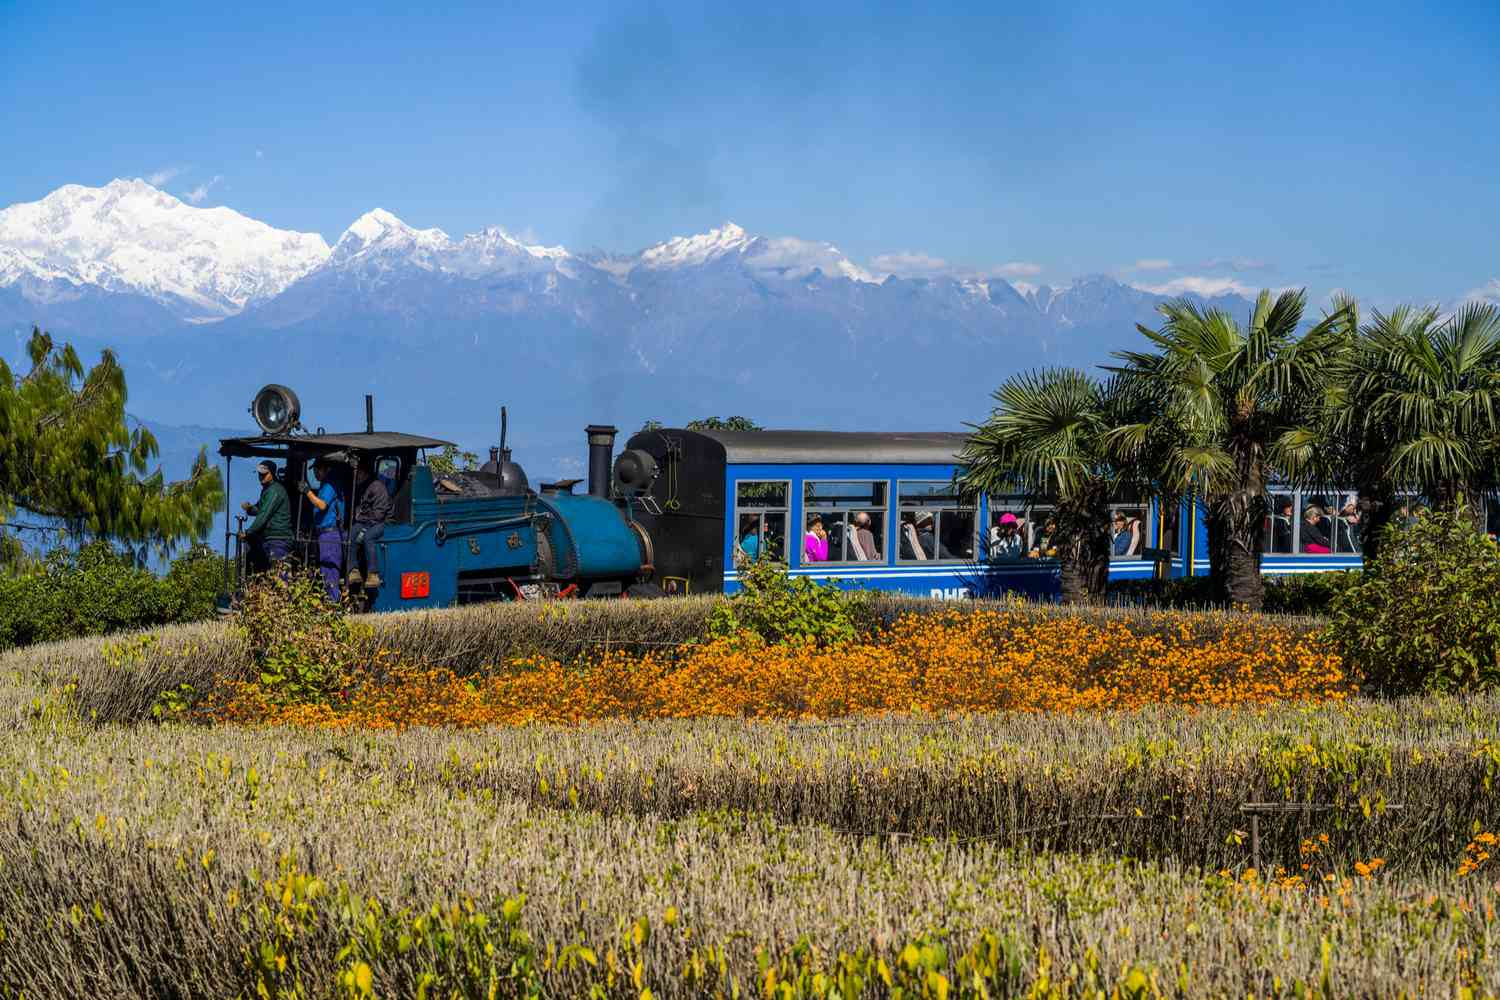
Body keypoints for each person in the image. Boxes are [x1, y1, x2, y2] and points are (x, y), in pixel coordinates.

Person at [300, 456, 345, 602]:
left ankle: (333, 602)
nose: (315, 473)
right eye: (314, 470)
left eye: (318, 470)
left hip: (329, 534)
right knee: (325, 570)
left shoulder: (330, 485)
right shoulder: (325, 485)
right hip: (323, 533)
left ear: (327, 469)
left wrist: (307, 491)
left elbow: (322, 505)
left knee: (329, 569)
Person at [241, 460, 293, 570]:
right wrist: (250, 508)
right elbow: (260, 509)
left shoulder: (275, 490)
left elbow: (264, 514)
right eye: (260, 474)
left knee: (279, 574)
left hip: (278, 539)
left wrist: (248, 532)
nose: (261, 477)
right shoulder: (267, 490)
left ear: (272, 474)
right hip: (269, 539)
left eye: (264, 474)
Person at [348, 463, 393, 589]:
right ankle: (353, 570)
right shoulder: (362, 486)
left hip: (383, 522)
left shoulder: (377, 487)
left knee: (368, 536)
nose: (355, 476)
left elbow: (379, 514)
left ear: (364, 473)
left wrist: (364, 527)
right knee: (351, 535)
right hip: (366, 520)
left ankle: (373, 574)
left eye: (358, 473)